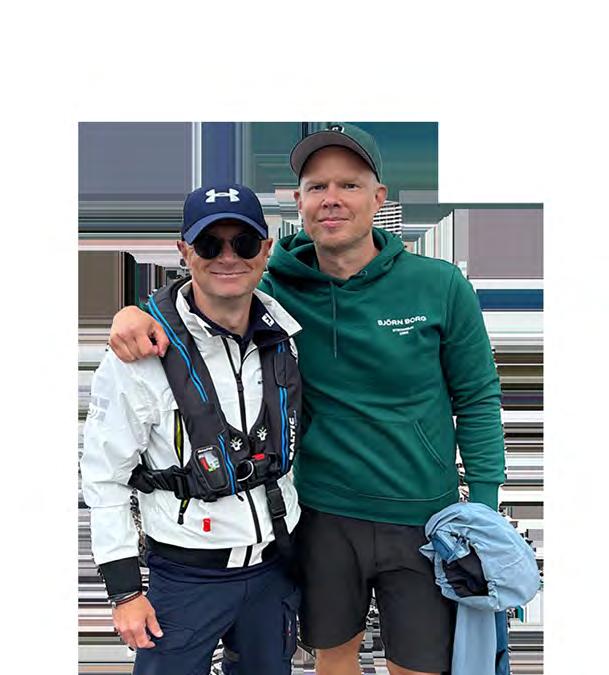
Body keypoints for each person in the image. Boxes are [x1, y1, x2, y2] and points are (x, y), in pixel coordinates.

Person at [108, 124, 506, 675]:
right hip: (320, 517)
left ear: (379, 198)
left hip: (424, 517)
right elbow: (207, 291)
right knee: (333, 659)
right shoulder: (272, 288)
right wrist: (135, 313)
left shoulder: (440, 286)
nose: (332, 198)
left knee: (418, 668)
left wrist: (482, 506)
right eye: (317, 187)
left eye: (349, 184)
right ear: (299, 202)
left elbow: (479, 398)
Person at [81, 182, 303, 675]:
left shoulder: (285, 335)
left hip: (274, 571)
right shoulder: (139, 355)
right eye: (209, 244)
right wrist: (124, 591)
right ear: (184, 251)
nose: (228, 257)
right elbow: (103, 475)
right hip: (185, 579)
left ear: (266, 250)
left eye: (244, 243)